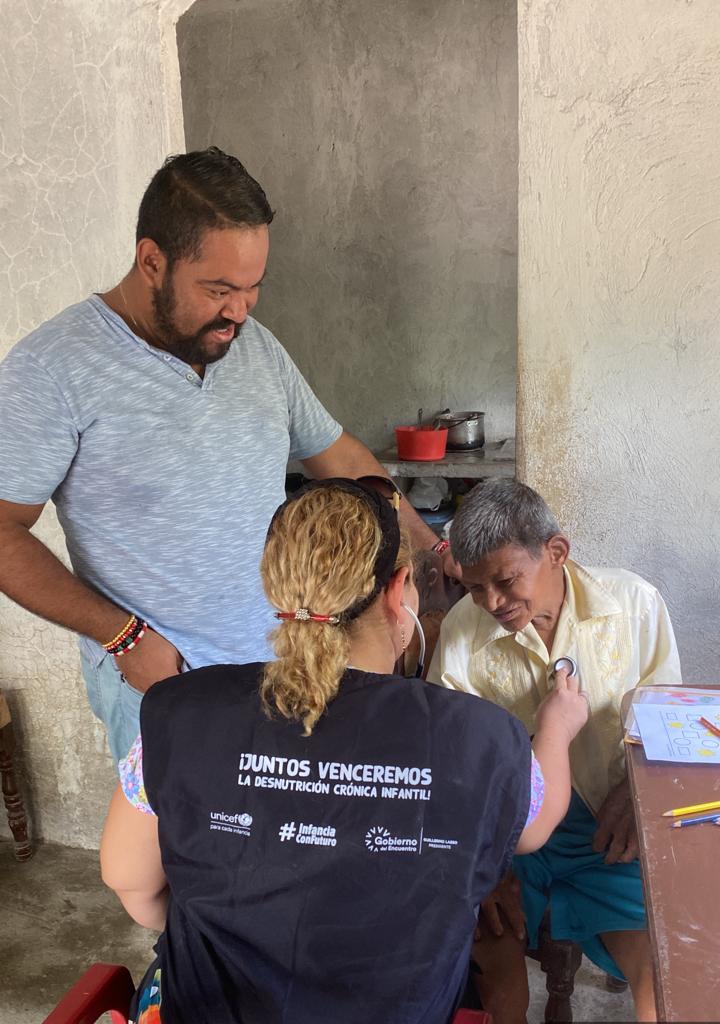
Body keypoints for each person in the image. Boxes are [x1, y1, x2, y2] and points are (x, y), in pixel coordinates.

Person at [0, 146, 445, 763]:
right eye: (218, 289)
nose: (238, 311)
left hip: (285, 668)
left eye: (253, 288)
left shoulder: (255, 348)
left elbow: (338, 457)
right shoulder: (52, 370)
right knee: (168, 830)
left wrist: (432, 549)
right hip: (162, 681)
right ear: (152, 261)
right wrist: (123, 637)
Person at [100, 477, 589, 1024]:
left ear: (276, 590)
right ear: (398, 589)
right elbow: (533, 827)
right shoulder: (481, 736)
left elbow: (128, 879)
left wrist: (234, 936)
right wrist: (556, 728)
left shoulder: (183, 712)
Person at [427, 479, 682, 1023]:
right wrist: (484, 867)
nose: (491, 603)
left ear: (556, 552)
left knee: (664, 991)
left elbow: (668, 725)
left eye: (505, 581)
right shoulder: (462, 632)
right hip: (507, 845)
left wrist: (633, 792)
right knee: (496, 998)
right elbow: (450, 769)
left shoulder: (634, 606)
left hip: (607, 835)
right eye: (474, 587)